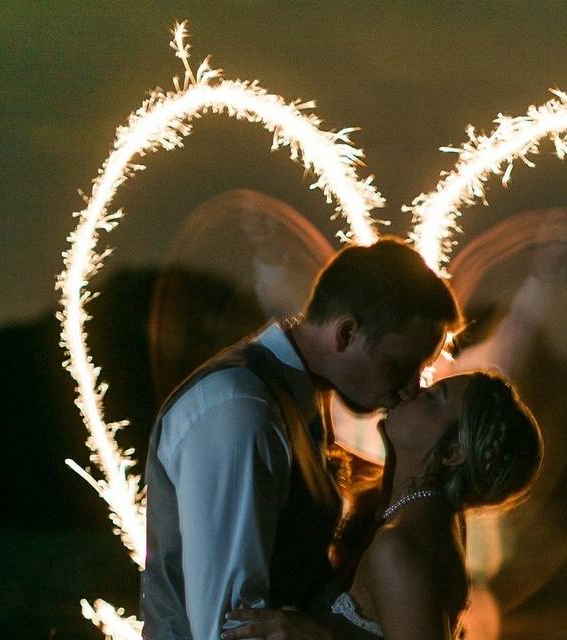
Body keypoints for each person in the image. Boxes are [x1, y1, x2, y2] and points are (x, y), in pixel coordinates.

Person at [140, 238, 462, 640]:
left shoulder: (296, 398)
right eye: (400, 364)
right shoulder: (241, 410)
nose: (411, 388)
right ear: (346, 333)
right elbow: (231, 627)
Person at [222, 370, 544, 639]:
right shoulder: (430, 521)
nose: (413, 391)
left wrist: (317, 635)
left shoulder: (401, 548)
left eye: (433, 396)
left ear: (451, 454)